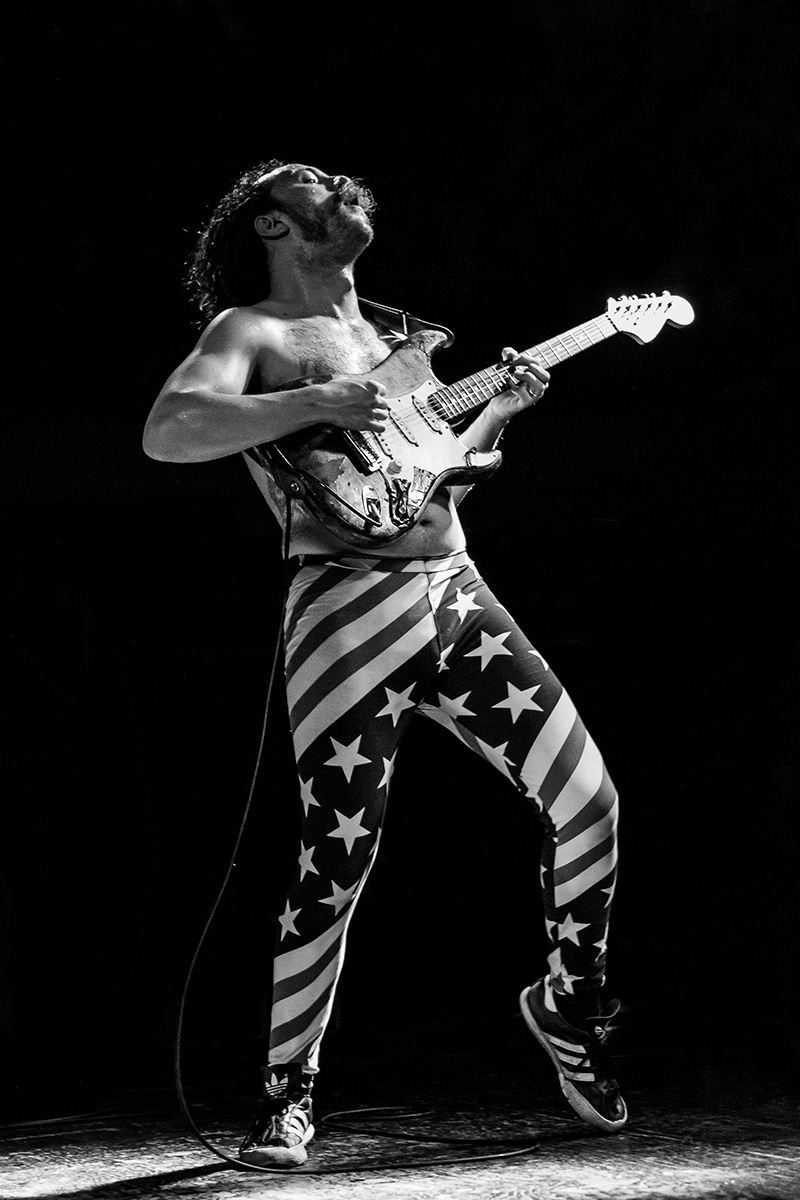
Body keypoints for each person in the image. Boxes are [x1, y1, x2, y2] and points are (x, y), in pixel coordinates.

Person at [143, 159, 627, 1168]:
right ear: (274, 227)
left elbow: (420, 481)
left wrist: (494, 416)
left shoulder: (400, 341)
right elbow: (169, 431)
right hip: (342, 606)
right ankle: (287, 1092)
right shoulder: (252, 332)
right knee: (337, 853)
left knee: (591, 802)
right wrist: (316, 400)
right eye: (314, 184)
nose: (342, 184)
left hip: (454, 589)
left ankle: (568, 1004)